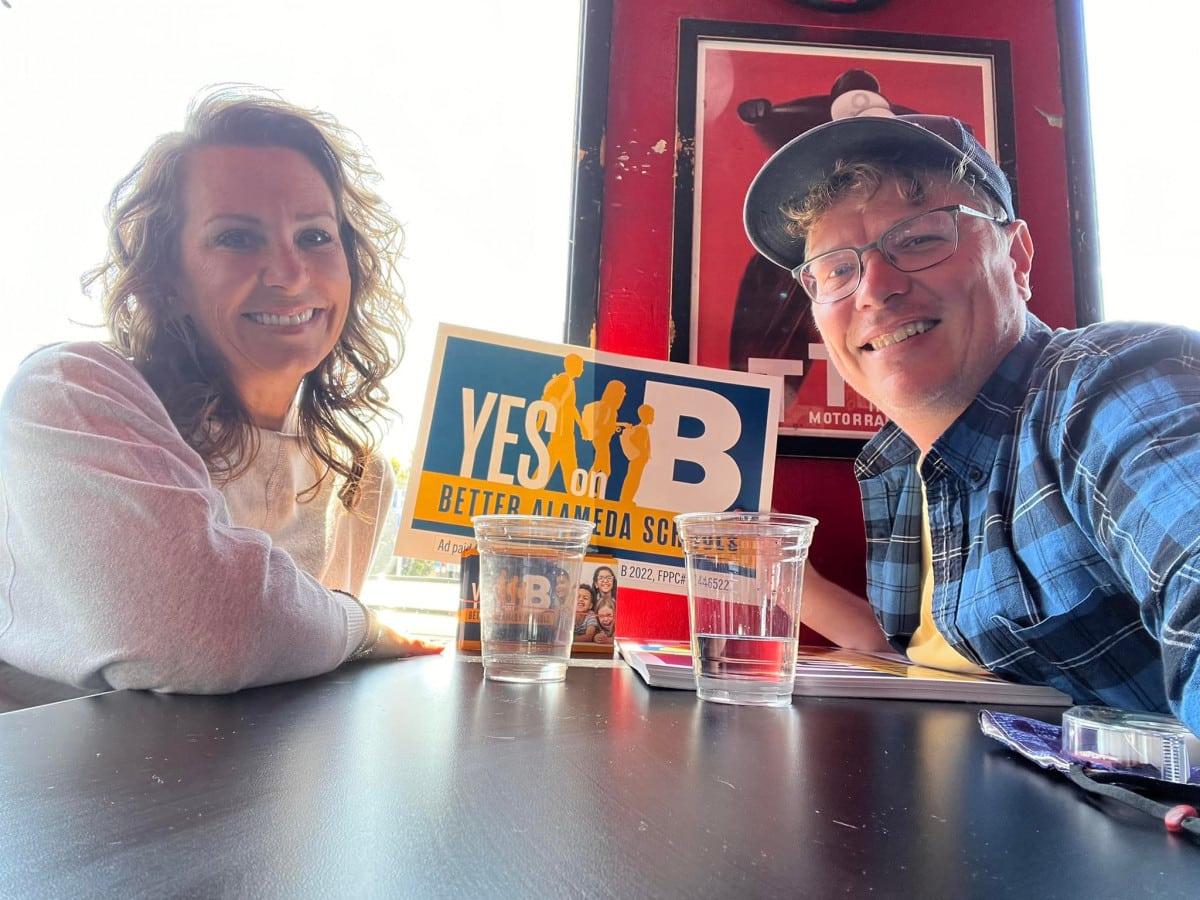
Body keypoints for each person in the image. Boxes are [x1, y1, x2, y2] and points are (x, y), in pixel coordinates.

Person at [743, 112, 1200, 734]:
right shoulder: (898, 465)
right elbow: (917, 659)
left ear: (1017, 256)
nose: (874, 289)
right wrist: (771, 567)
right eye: (836, 270)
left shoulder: (1105, 387)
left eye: (920, 238)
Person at [0, 84, 442, 709]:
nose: (291, 273)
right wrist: (360, 624)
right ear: (168, 279)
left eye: (316, 236)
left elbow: (289, 678)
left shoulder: (357, 474)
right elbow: (205, 630)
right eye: (237, 238)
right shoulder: (71, 394)